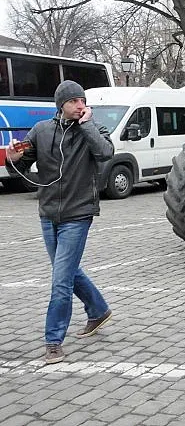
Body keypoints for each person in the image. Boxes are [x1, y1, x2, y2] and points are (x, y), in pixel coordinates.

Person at [5, 80, 115, 363]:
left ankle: (53, 340)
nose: (81, 105)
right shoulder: (42, 130)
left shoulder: (93, 128)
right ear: (61, 105)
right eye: (74, 101)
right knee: (66, 270)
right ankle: (98, 309)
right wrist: (12, 157)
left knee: (61, 281)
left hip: (78, 215)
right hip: (48, 214)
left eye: (83, 101)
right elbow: (20, 166)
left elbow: (105, 153)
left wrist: (87, 124)